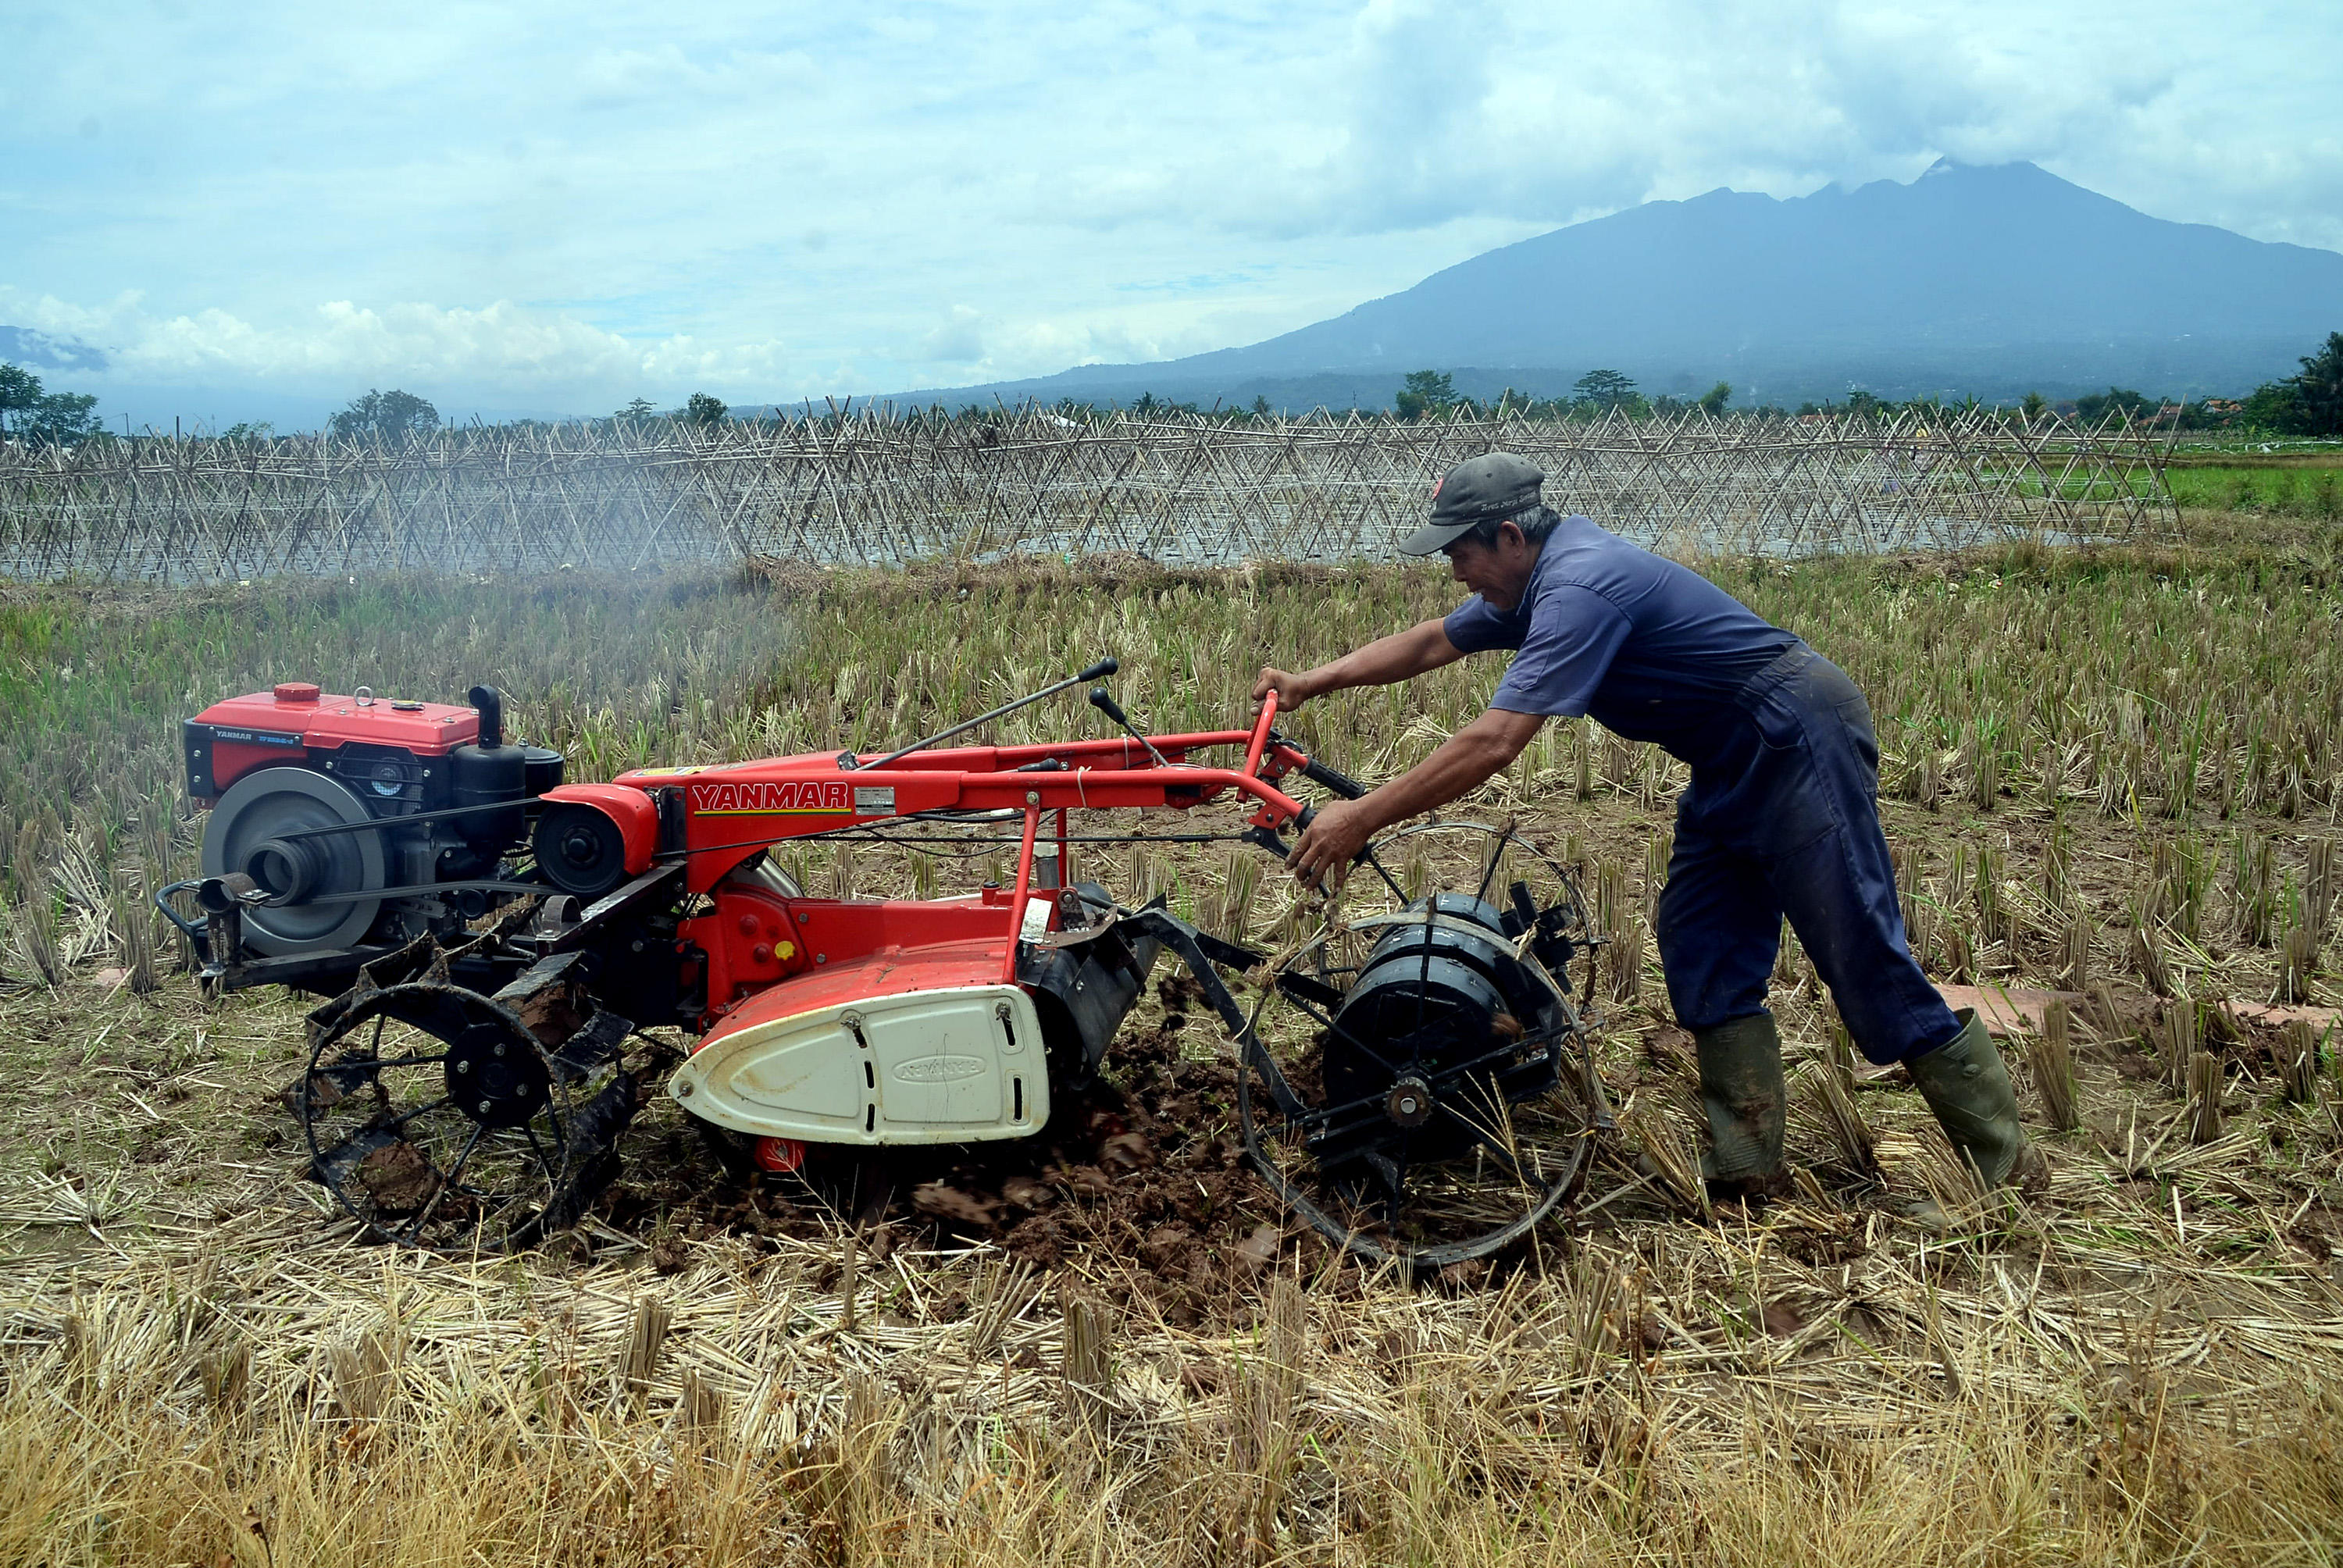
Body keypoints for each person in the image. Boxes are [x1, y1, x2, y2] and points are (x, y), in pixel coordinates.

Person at [1251, 452, 2040, 1194]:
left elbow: (1494, 742)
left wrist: (1362, 816)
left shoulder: (1577, 590)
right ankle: (1746, 1164)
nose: (1455, 571)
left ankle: (2001, 1170)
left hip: (1796, 740)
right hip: (1731, 758)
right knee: (1701, 943)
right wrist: (1310, 682)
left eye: (1460, 553)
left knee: (1858, 948)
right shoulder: (1530, 583)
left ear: (1511, 537)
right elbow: (1432, 641)